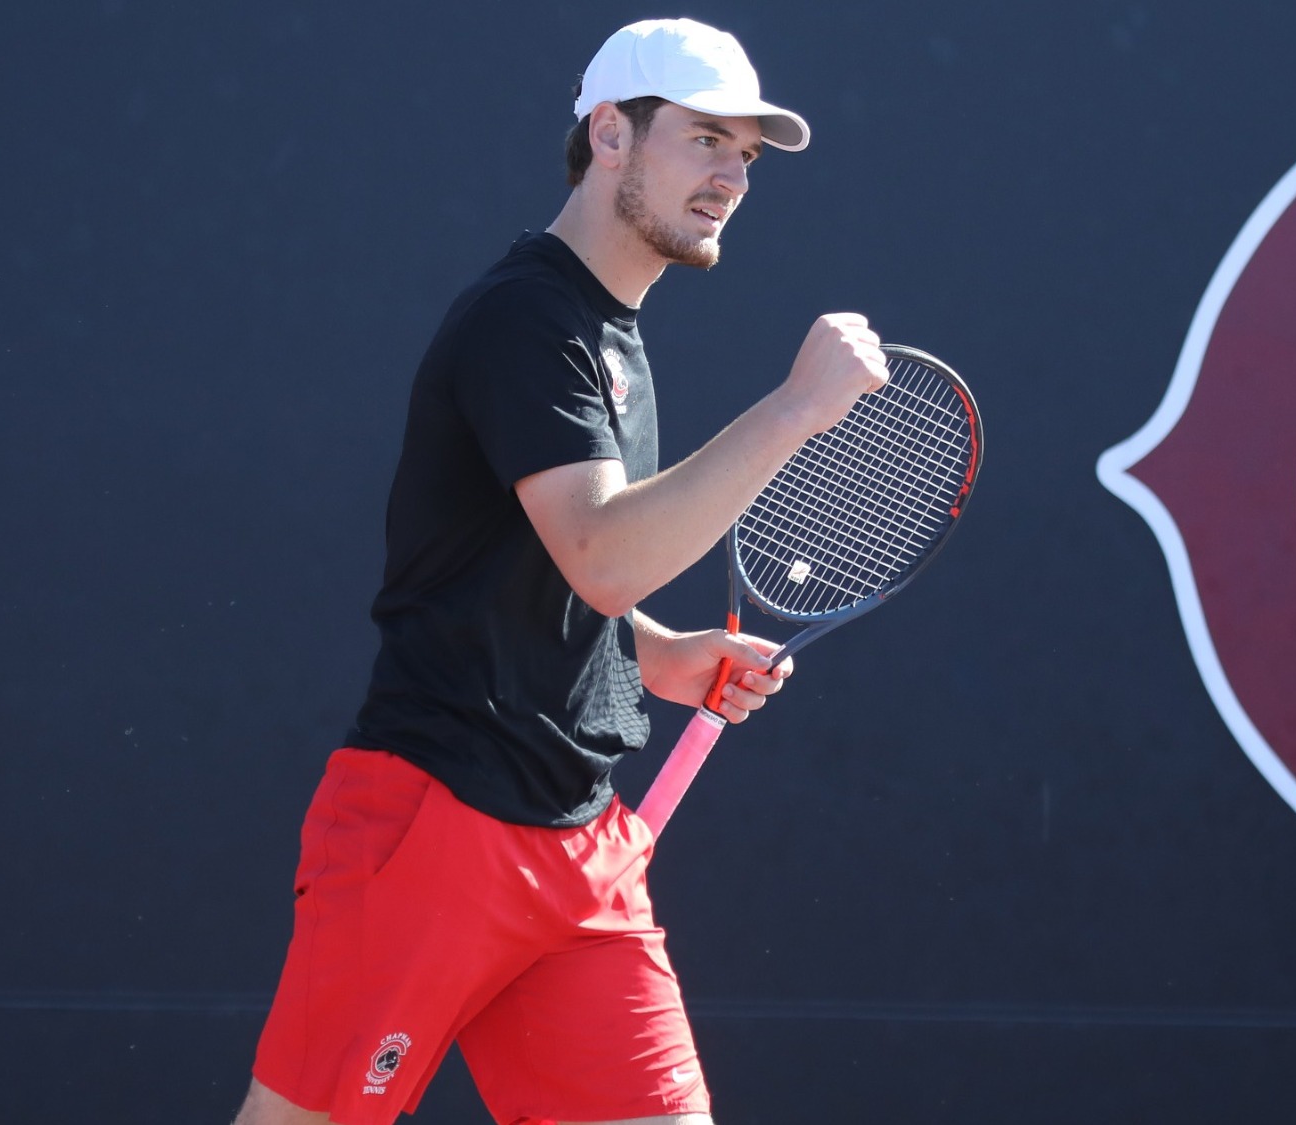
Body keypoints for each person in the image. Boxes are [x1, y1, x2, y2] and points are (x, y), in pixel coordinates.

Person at [234, 18, 888, 1125]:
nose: (731, 174)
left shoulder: (604, 330)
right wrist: (794, 410)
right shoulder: (525, 319)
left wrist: (662, 656)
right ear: (610, 134)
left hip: (580, 847)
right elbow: (600, 556)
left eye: (747, 154)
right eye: (704, 140)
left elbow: (537, 572)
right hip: (431, 825)